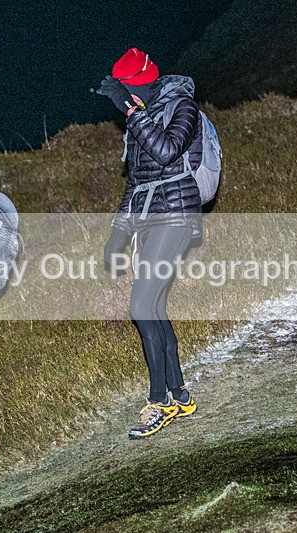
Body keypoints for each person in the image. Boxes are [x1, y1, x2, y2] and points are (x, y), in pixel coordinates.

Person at [97, 48, 201, 439]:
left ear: (140, 84)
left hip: (176, 217)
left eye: (128, 91)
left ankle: (160, 403)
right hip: (147, 220)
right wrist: (118, 233)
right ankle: (180, 393)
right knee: (154, 304)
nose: (126, 100)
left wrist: (131, 112)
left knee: (141, 304)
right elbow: (136, 180)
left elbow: (167, 150)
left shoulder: (182, 106)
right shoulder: (142, 116)